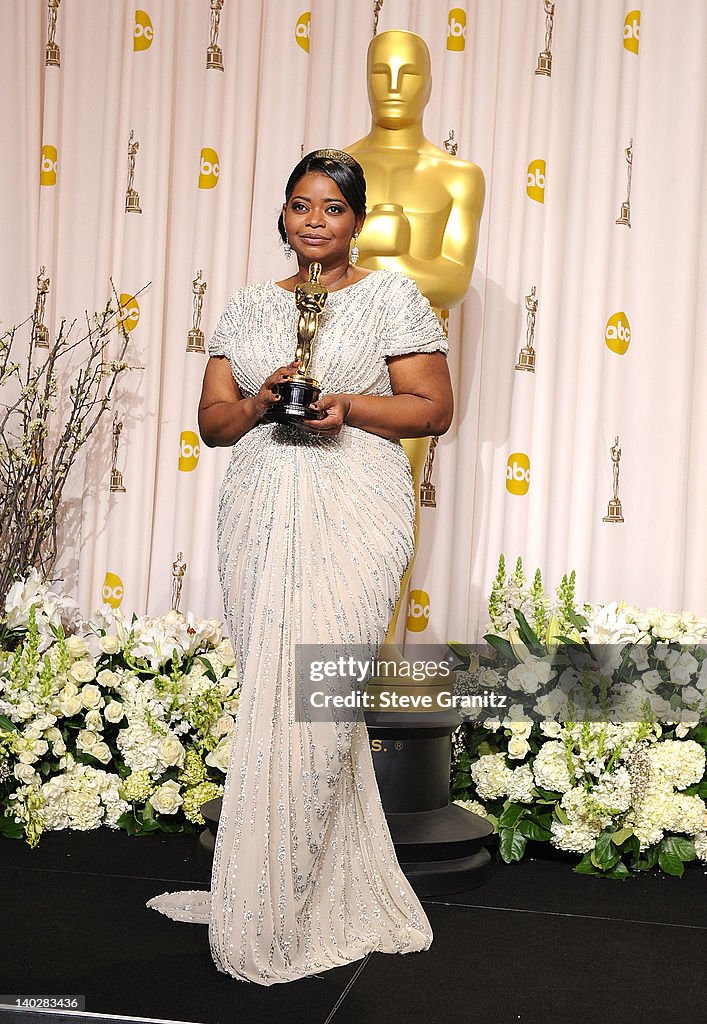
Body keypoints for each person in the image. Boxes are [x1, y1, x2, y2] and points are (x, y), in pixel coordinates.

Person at [146, 149, 453, 985]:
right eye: (299, 206)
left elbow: (434, 407)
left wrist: (347, 405)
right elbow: (213, 424)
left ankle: (282, 904)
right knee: (272, 693)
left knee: (318, 697)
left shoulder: (391, 295)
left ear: (356, 220)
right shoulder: (246, 308)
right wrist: (258, 398)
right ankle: (294, 886)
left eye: (331, 208)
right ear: (281, 216)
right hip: (258, 506)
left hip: (355, 502)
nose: (313, 221)